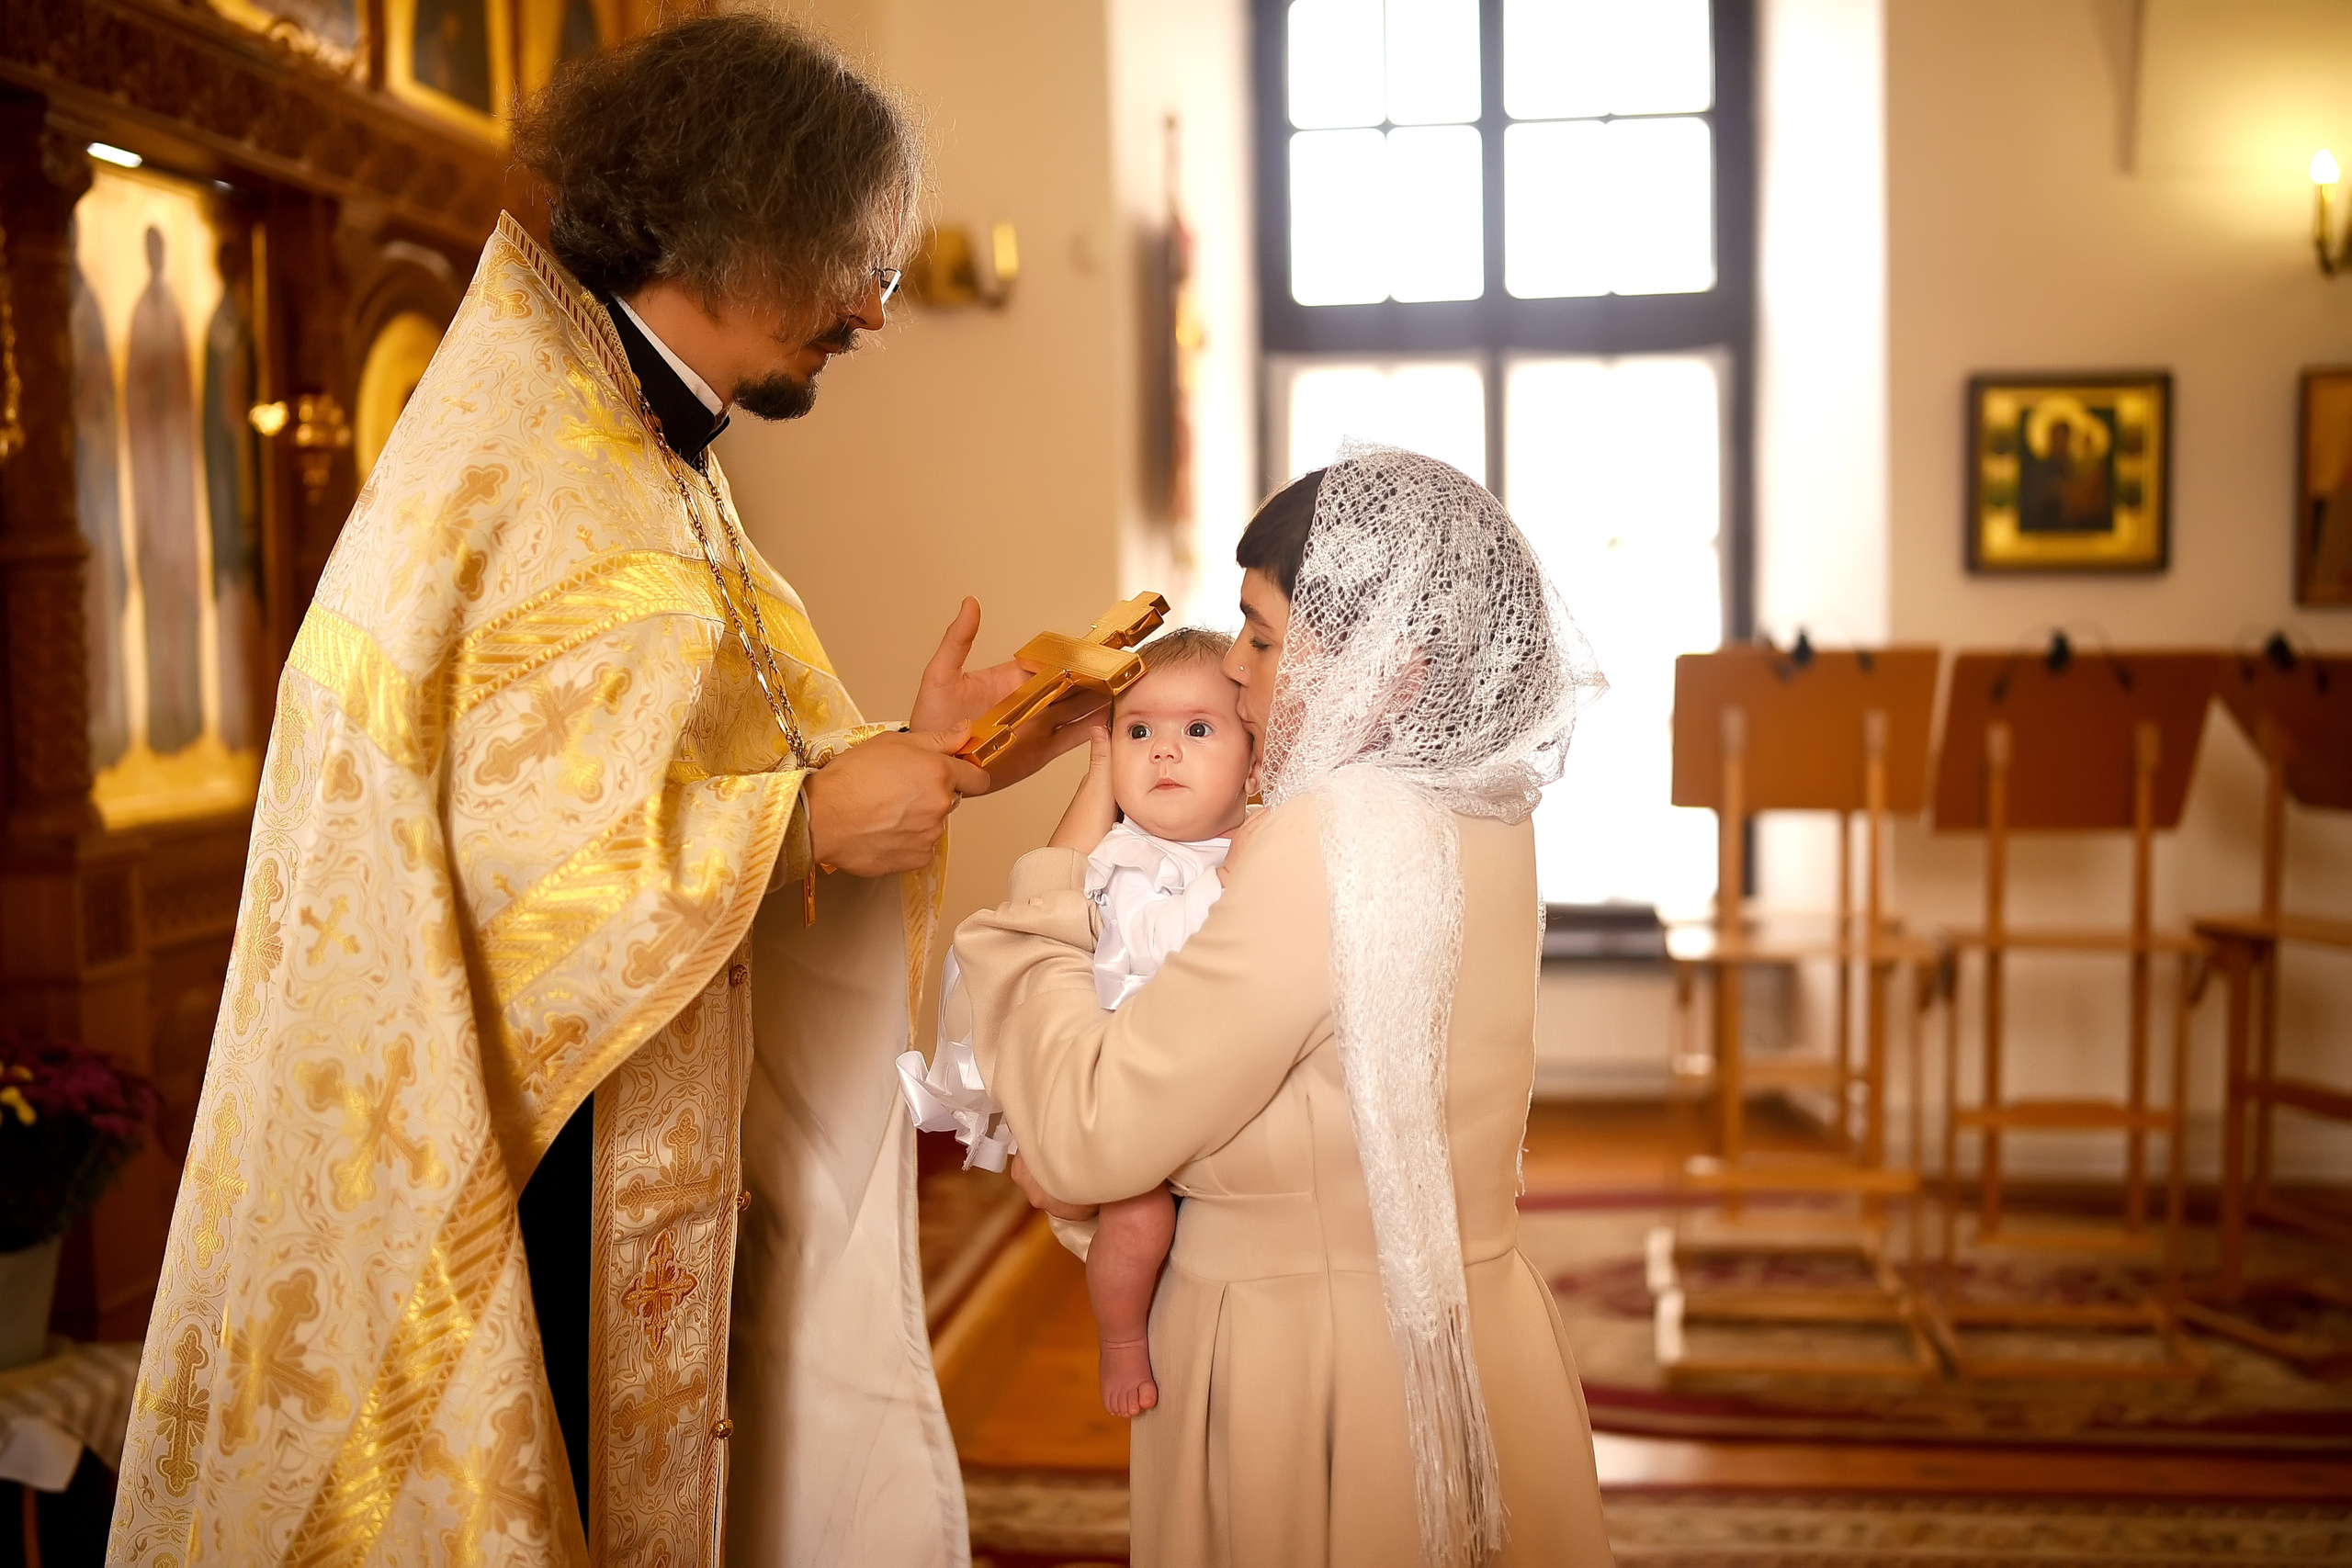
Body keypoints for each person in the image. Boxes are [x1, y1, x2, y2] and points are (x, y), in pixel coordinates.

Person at [110, 17, 1093, 1567]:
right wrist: (815, 819)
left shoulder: (630, 436)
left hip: (621, 1114)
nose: (876, 311)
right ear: (732, 217)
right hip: (520, 1161)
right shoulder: (539, 456)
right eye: (856, 257)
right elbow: (508, 861)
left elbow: (655, 769)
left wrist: (920, 757)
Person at [952, 447, 1620, 1567]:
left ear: (1389, 664)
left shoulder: (1330, 839)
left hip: (1307, 1363)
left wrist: (1058, 868)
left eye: (1263, 638)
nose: (1237, 676)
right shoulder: (1485, 809)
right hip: (1469, 1334)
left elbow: (1087, 1131)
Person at [904, 629, 1252, 1418]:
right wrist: (1101, 778)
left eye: (1197, 730)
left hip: (1213, 1077)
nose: (1165, 751)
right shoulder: (1120, 859)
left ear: (1256, 755)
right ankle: (1122, 1335)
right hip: (1119, 1082)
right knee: (1138, 1216)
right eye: (1139, 732)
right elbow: (1066, 920)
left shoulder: (1268, 841)